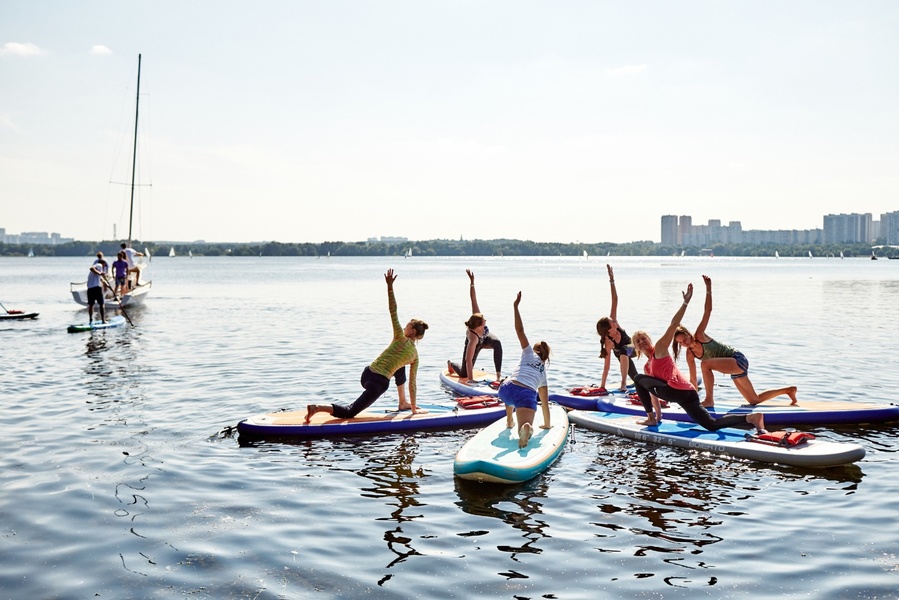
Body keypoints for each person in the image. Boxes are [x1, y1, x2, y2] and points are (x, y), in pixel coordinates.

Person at [630, 282, 766, 434]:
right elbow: (652, 393)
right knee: (711, 424)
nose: (641, 342)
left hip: (674, 391)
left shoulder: (660, 348)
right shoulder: (647, 367)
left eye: (643, 338)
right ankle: (751, 418)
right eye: (637, 341)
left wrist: (685, 302)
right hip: (688, 393)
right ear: (636, 348)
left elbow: (674, 324)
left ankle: (649, 417)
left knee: (637, 379)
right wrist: (658, 416)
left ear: (649, 339)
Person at [305, 269, 429, 422]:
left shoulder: (398, 336)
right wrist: (414, 408)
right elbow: (413, 383)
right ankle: (317, 408)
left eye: (406, 326)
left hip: (367, 374)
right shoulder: (414, 356)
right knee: (350, 412)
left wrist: (390, 287)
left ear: (411, 330)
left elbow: (393, 311)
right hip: (379, 383)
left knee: (399, 366)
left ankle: (402, 402)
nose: (403, 327)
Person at [673, 275, 798, 408]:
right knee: (753, 400)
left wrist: (708, 288)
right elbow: (693, 379)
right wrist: (693, 402)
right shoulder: (690, 354)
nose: (684, 343)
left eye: (684, 339)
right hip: (733, 368)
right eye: (680, 343)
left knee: (705, 364)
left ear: (688, 333)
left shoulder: (699, 335)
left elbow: (707, 311)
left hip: (738, 360)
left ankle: (709, 400)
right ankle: (788, 390)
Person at [497, 292, 551, 448]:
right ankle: (525, 428)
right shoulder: (543, 375)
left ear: (535, 350)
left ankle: (509, 420)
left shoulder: (528, 353)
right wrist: (547, 425)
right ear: (545, 358)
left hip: (508, 389)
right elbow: (545, 404)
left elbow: (520, 331)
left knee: (508, 380)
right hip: (526, 395)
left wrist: (515, 307)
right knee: (524, 426)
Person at [448, 269, 503, 383]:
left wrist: (472, 282)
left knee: (497, 343)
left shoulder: (477, 316)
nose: (485, 321)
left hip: (484, 339)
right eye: (484, 323)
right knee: (464, 373)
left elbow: (473, 299)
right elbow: (468, 360)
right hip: (476, 344)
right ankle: (451, 364)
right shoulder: (472, 338)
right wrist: (471, 379)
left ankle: (498, 375)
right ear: (478, 326)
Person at [596, 264, 639, 392]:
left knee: (625, 350)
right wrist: (602, 386)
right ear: (609, 330)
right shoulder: (608, 342)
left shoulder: (615, 322)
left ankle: (624, 384)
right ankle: (638, 383)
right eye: (612, 323)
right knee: (637, 379)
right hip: (623, 359)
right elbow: (607, 366)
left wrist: (612, 280)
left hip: (635, 349)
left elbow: (615, 299)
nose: (614, 322)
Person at [86, 252, 108, 324]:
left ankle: (90, 320)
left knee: (91, 305)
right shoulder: (99, 265)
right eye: (105, 266)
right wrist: (99, 273)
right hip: (96, 288)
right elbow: (91, 268)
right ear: (103, 264)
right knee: (101, 304)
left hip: (90, 288)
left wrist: (106, 283)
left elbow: (100, 278)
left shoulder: (99, 268)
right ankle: (103, 320)